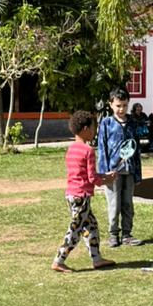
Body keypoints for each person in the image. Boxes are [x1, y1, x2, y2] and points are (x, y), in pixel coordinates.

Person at [52, 111, 117, 272]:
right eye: (93, 128)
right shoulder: (88, 150)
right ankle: (59, 260)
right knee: (75, 229)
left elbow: (82, 173)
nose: (94, 131)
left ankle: (97, 259)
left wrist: (103, 175)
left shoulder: (72, 149)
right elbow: (91, 178)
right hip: (82, 197)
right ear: (86, 128)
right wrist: (106, 180)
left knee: (92, 227)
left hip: (72, 194)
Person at [96, 87, 142, 247]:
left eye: (124, 105)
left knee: (128, 203)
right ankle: (113, 234)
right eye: (118, 106)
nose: (121, 109)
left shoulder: (132, 123)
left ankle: (127, 234)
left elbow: (136, 149)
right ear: (111, 105)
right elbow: (102, 148)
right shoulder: (106, 123)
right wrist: (103, 173)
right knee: (114, 204)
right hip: (113, 172)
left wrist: (137, 174)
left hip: (129, 170)